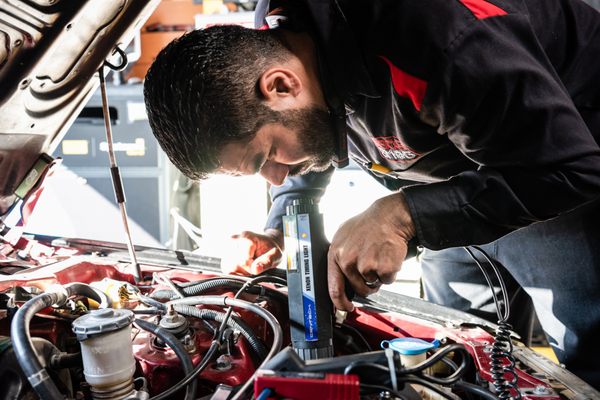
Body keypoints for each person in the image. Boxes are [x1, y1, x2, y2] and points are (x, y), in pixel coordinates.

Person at [143, 0, 600, 388]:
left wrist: (402, 217)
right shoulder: (279, 39)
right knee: (455, 364)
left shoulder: (432, 38)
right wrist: (283, 225)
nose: (276, 177)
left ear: (280, 84)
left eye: (266, 157)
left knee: (589, 361)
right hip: (445, 187)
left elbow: (572, 166)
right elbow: (314, 127)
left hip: (553, 172)